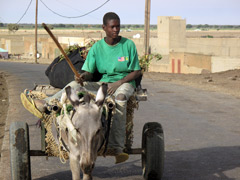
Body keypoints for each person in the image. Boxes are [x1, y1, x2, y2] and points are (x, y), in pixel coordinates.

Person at [21, 12, 141, 164]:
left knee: (120, 98)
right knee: (74, 85)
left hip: (124, 83)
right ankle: (47, 103)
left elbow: (137, 71)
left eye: (118, 26)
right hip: (103, 84)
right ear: (104, 28)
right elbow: (90, 72)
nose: (116, 30)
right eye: (112, 27)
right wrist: (83, 77)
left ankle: (117, 147)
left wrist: (119, 83)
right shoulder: (97, 48)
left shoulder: (128, 45)